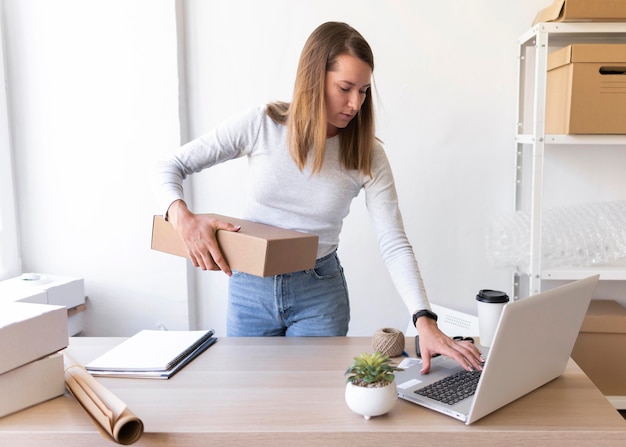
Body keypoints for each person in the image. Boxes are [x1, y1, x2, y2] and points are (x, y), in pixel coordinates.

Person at [155, 21, 483, 373]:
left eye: (364, 90)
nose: (355, 103)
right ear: (313, 78)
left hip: (319, 293)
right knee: (249, 402)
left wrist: (424, 318)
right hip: (249, 289)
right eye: (345, 88)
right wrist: (181, 217)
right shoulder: (262, 125)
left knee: (312, 405)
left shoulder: (367, 153)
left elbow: (393, 242)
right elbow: (168, 165)